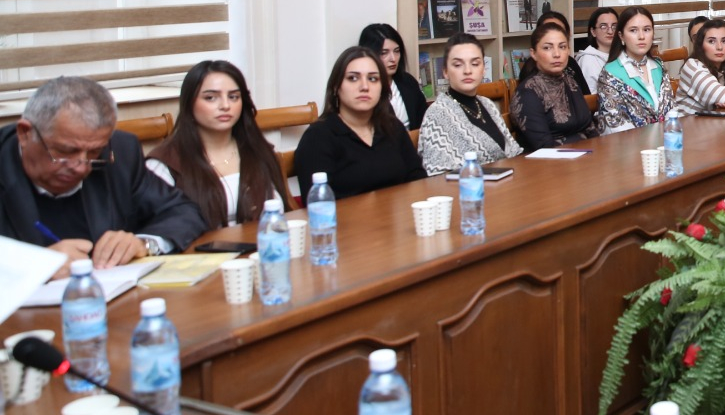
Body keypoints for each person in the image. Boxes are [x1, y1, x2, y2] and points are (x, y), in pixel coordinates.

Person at [0, 76, 206, 274]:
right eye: (65, 152)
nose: (81, 167)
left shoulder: (120, 152)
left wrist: (143, 242)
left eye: (94, 153)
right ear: (25, 134)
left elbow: (182, 211)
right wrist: (34, 264)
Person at [146, 60, 293, 230]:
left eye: (233, 97)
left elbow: (282, 214)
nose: (225, 106)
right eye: (210, 98)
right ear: (189, 103)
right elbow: (160, 232)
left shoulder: (259, 151)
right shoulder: (164, 163)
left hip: (263, 251)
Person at [295, 46, 427, 197]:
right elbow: (319, 206)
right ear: (336, 87)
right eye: (353, 78)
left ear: (382, 88)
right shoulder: (318, 137)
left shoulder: (393, 127)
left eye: (373, 79)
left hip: (398, 217)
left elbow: (418, 180)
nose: (364, 87)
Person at [419, 34, 524, 174]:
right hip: (468, 191)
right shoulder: (437, 113)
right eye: (458, 65)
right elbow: (437, 175)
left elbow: (514, 154)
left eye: (475, 64)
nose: (467, 71)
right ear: (445, 72)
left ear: (483, 69)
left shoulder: (487, 104)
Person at [509, 21, 598, 151]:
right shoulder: (528, 92)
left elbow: (590, 128)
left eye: (562, 47)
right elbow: (543, 147)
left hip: (585, 158)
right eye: (547, 48)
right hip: (547, 165)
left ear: (568, 50)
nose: (557, 54)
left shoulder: (569, 81)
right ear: (533, 53)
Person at [597, 5, 674, 132]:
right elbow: (616, 126)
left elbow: (671, 111)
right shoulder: (610, 73)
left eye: (647, 29)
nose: (641, 36)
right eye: (633, 30)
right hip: (628, 146)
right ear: (621, 36)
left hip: (664, 141)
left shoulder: (658, 66)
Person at [357, 23, 429, 130]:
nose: (393, 59)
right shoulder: (363, 89)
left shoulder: (408, 81)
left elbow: (424, 121)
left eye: (397, 51)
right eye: (384, 53)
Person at [576, 7, 618, 91]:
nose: (610, 31)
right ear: (593, 31)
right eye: (603, 26)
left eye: (614, 26)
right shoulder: (588, 60)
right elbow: (591, 98)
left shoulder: (624, 55)